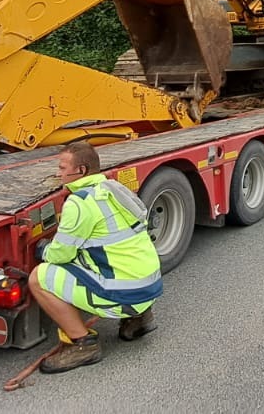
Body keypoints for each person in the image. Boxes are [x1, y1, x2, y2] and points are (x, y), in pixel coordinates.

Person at [28, 142, 162, 373]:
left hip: (125, 293)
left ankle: (83, 345)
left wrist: (42, 250)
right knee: (106, 257)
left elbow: (61, 254)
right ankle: (140, 319)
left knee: (38, 278)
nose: (58, 173)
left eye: (61, 168)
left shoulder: (79, 203)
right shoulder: (112, 188)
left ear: (80, 171)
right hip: (149, 285)